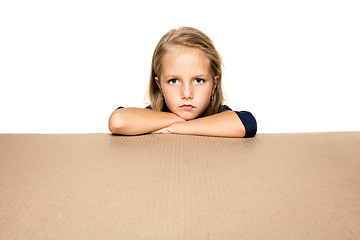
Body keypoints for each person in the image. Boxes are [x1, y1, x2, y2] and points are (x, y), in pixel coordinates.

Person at [109, 27, 257, 138]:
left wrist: (177, 127)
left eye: (198, 80)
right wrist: (176, 120)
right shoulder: (155, 115)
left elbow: (247, 123)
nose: (187, 94)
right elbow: (118, 120)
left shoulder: (218, 114)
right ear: (159, 85)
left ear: (214, 85)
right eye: (174, 81)